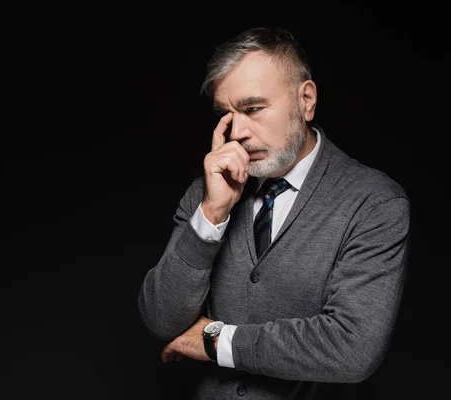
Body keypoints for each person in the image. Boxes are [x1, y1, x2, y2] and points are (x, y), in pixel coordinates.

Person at [137, 26, 410, 399]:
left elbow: (352, 348)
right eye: (227, 115)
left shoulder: (373, 203)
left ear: (306, 100)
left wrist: (215, 338)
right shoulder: (209, 191)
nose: (239, 133)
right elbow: (161, 319)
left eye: (253, 109)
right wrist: (212, 213)